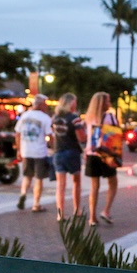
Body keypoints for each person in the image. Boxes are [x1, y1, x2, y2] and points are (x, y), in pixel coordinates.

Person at [15, 94, 54, 212]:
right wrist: (52, 147)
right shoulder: (45, 118)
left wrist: (19, 149)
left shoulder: (24, 116)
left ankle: (23, 194)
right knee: (38, 178)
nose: (47, 106)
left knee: (27, 176)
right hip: (39, 152)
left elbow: (17, 133)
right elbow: (49, 136)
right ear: (41, 104)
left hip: (26, 150)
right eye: (45, 104)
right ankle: (36, 204)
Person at [84, 92, 118, 226]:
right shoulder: (110, 117)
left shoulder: (88, 118)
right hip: (107, 155)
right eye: (108, 101)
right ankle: (106, 211)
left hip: (92, 154)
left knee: (94, 186)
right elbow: (115, 135)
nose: (110, 103)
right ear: (103, 103)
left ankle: (92, 217)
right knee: (113, 183)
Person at [52, 92, 86, 221]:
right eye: (75, 101)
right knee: (76, 182)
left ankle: (60, 214)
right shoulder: (74, 118)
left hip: (58, 152)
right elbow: (81, 137)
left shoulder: (55, 118)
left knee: (60, 185)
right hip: (71, 152)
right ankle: (77, 210)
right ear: (71, 103)